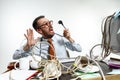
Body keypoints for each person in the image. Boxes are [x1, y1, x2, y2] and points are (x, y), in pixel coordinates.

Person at [13, 15, 82, 61]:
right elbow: (15, 56)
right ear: (39, 30)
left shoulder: (61, 38)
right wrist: (27, 47)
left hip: (64, 70)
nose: (50, 26)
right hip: (47, 73)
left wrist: (69, 38)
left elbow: (79, 49)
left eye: (50, 23)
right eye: (46, 24)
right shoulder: (35, 44)